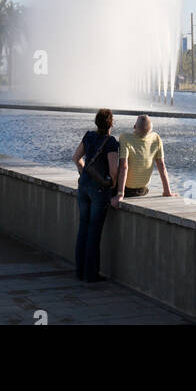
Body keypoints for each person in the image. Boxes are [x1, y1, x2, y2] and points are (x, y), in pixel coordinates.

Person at [73, 108, 119, 282]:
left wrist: (84, 173)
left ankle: (79, 271)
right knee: (94, 231)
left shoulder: (88, 136)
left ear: (96, 122)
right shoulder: (111, 142)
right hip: (99, 191)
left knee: (83, 228)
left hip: (83, 186)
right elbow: (114, 170)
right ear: (111, 123)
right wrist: (112, 185)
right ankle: (91, 274)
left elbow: (76, 158)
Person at [112, 115, 175, 207]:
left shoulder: (125, 138)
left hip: (127, 190)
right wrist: (167, 191)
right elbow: (161, 166)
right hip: (143, 190)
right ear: (150, 130)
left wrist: (120, 194)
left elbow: (124, 167)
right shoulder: (156, 138)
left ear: (134, 127)